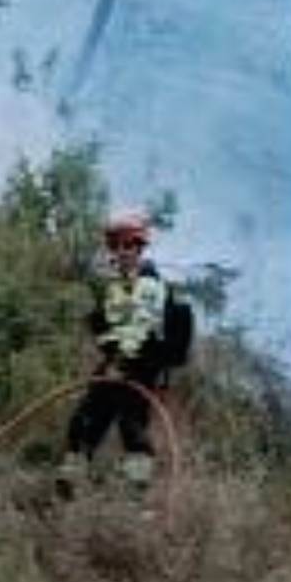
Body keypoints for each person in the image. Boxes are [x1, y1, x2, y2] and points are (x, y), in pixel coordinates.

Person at [59, 207, 175, 492]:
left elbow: (142, 329)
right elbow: (110, 329)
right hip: (114, 364)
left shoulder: (151, 284)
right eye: (116, 246)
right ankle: (70, 484)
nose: (121, 252)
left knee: (132, 427)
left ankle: (136, 494)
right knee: (84, 420)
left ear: (139, 248)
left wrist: (121, 363)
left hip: (142, 368)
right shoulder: (115, 286)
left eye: (128, 245)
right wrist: (101, 334)